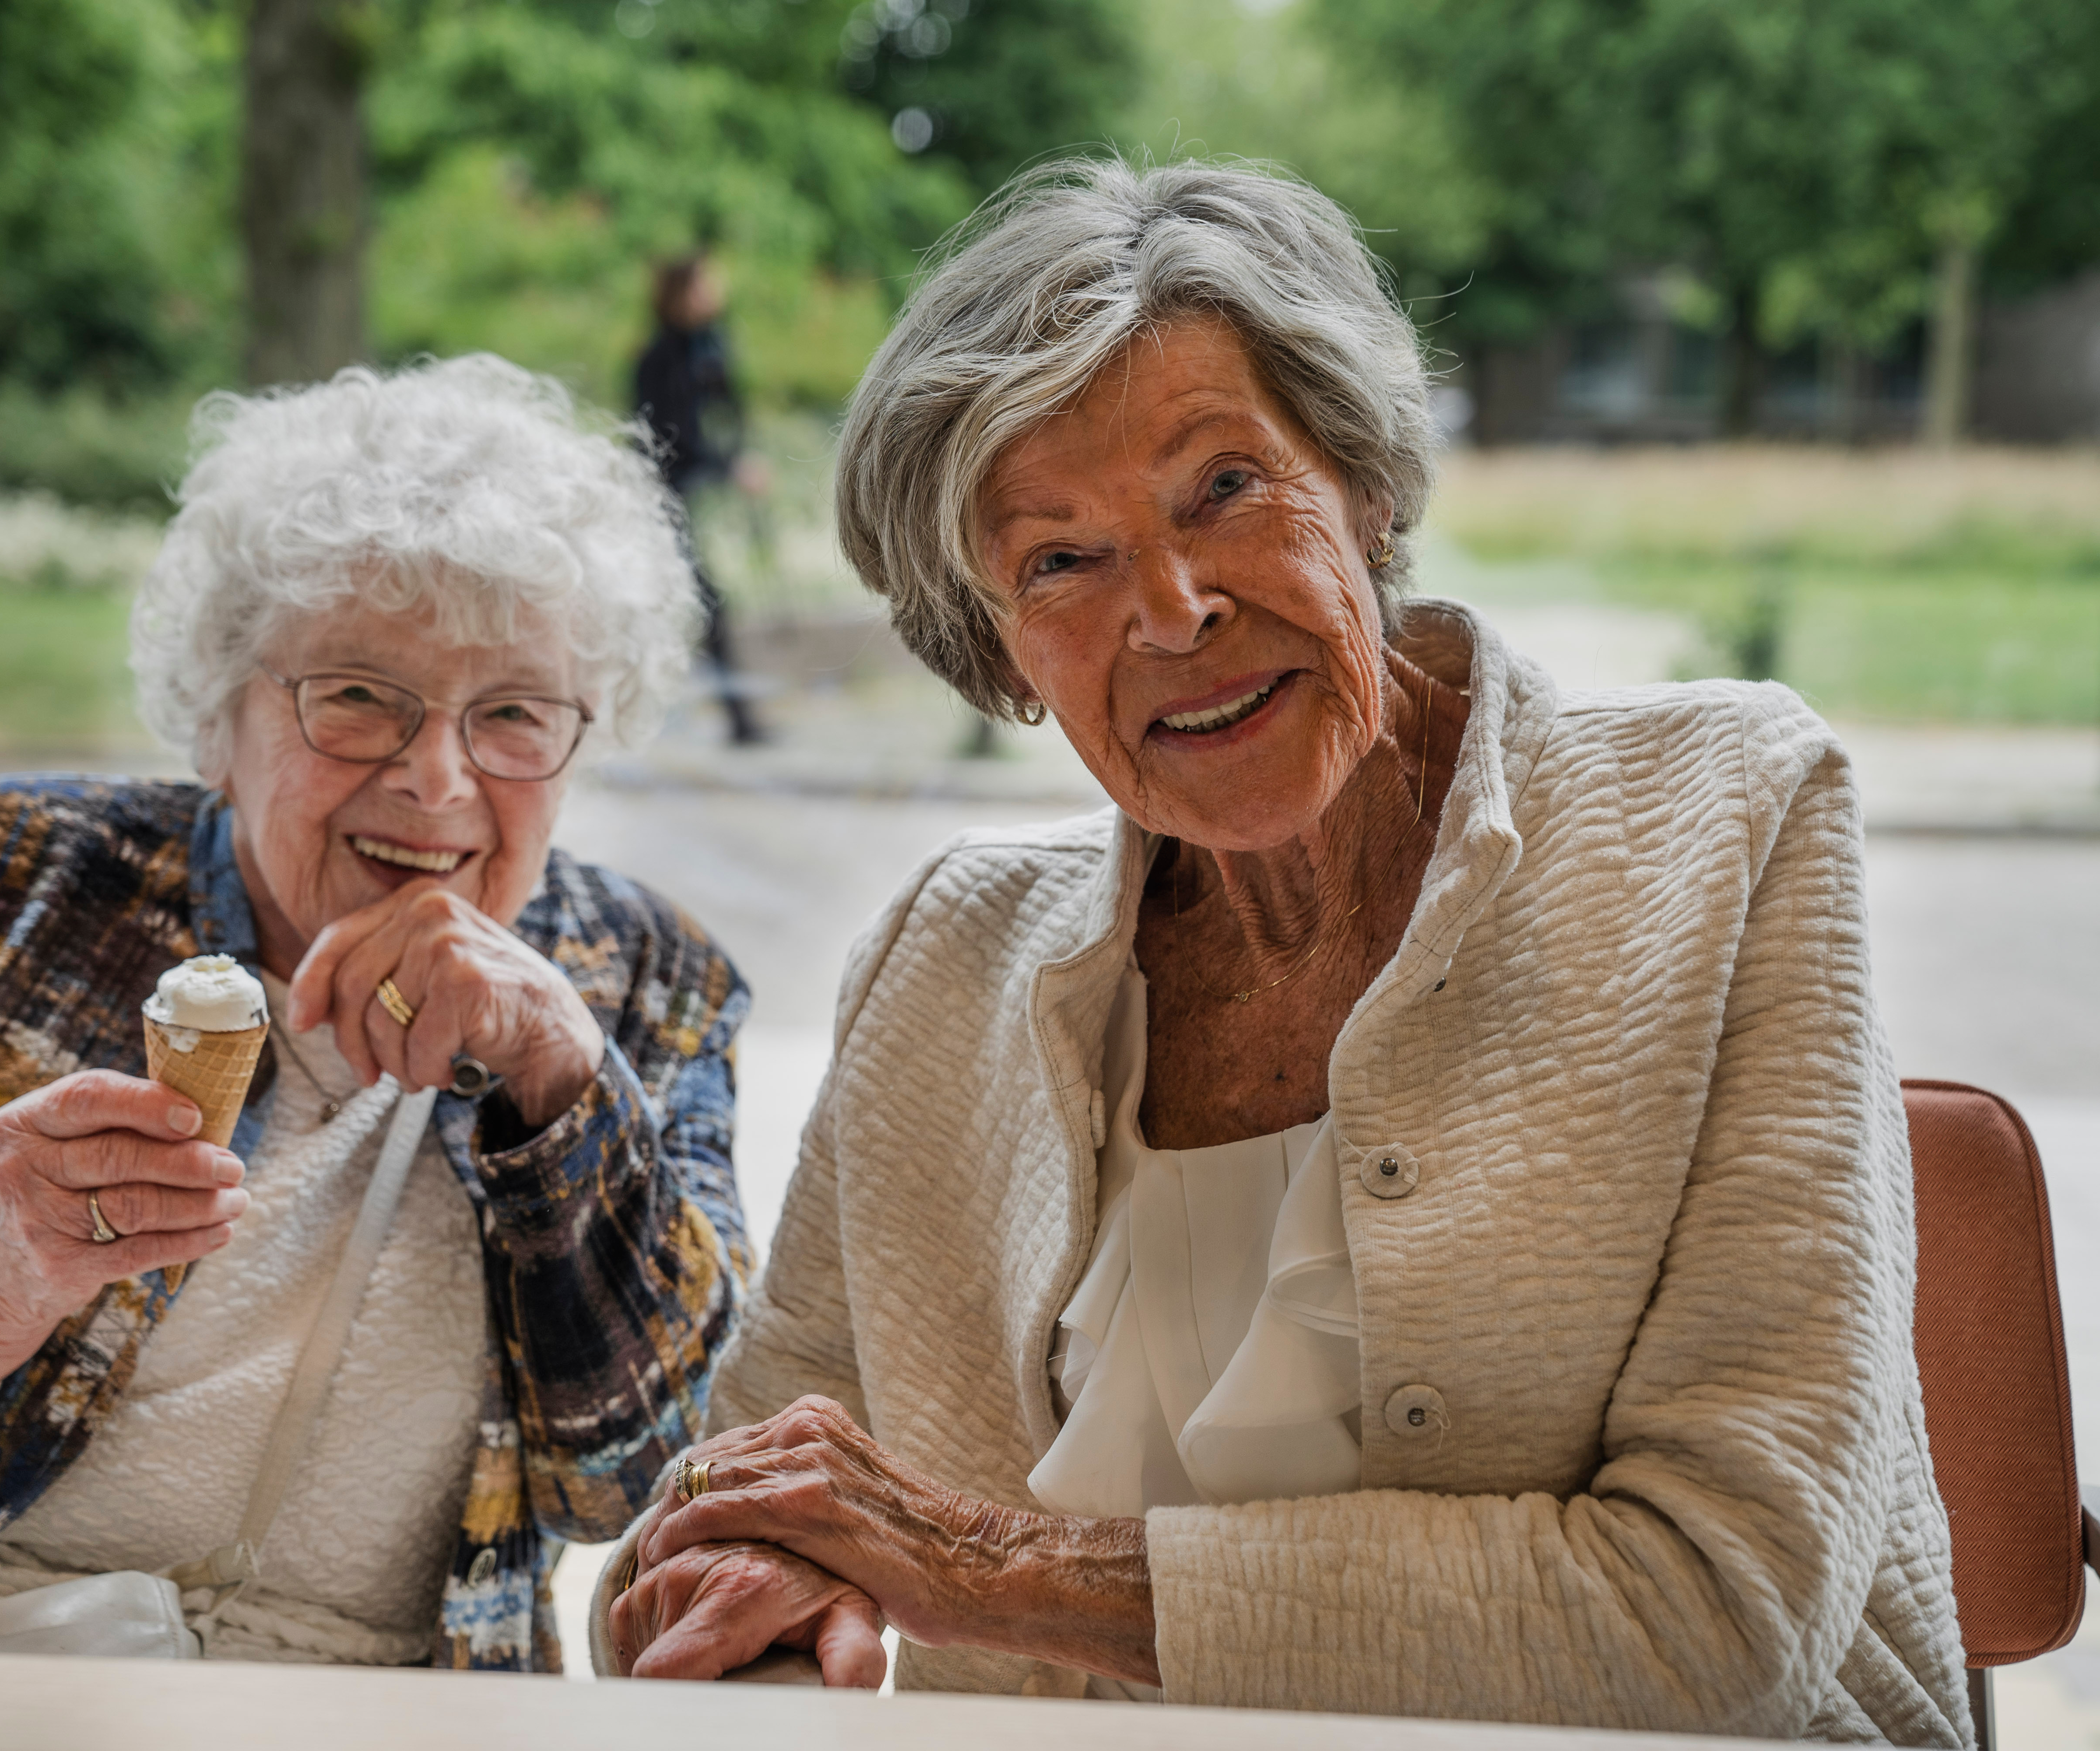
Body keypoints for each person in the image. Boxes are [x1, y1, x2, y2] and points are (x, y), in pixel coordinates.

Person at [604, 158, 1970, 1745]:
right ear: (994, 645)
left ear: (1364, 484)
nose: (1172, 610)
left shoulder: (1721, 821)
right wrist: (765, 1611)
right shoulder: (942, 956)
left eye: (1221, 490)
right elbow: (731, 1499)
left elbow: (1713, 1620)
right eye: (1061, 561)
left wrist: (971, 1567)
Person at [0, 355, 753, 1671]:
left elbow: (645, 1487)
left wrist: (561, 1089)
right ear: (216, 715)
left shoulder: (639, 984)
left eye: (513, 714)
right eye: (354, 697)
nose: (437, 780)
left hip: (364, 1710)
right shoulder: (13, 880)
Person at [633, 254, 766, 745]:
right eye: (704, 285)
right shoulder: (660, 360)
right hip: (663, 501)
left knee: (705, 606)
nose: (715, 292)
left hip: (690, 498)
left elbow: (729, 415)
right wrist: (730, 467)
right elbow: (670, 439)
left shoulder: (708, 350)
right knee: (699, 606)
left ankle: (740, 719)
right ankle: (738, 720)